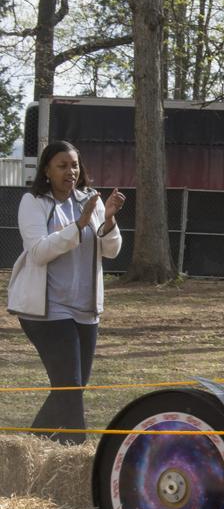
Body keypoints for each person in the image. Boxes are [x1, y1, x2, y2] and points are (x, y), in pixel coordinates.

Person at [7, 140, 126, 444]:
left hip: (85, 309)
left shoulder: (92, 200)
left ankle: (29, 448)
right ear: (46, 170)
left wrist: (109, 218)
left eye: (74, 165)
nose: (70, 172)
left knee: (71, 387)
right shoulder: (33, 203)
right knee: (70, 388)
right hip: (46, 310)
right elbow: (38, 252)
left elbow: (111, 251)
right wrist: (79, 225)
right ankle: (80, 455)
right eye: (62, 165)